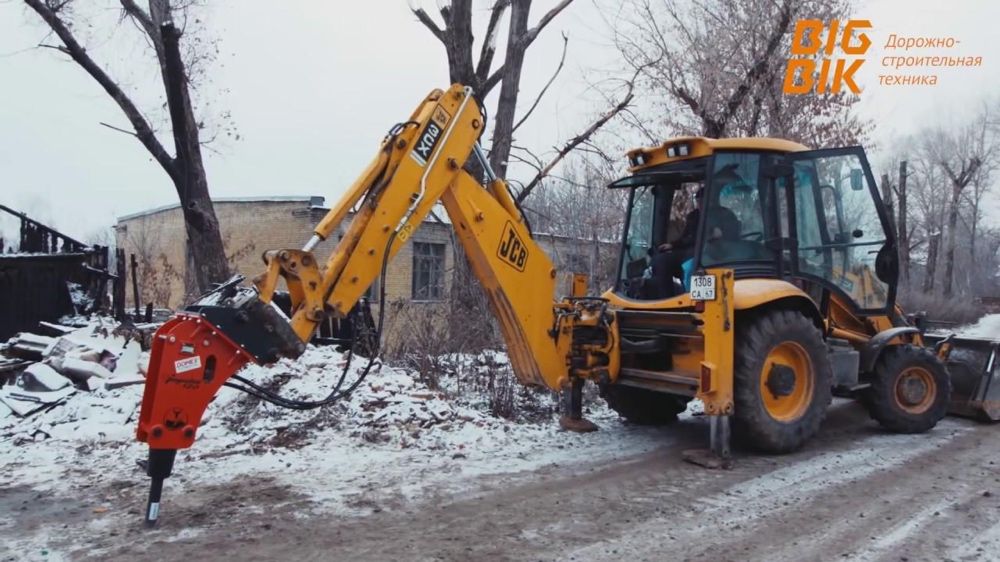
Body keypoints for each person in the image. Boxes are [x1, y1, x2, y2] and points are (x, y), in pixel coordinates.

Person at [650, 187, 703, 298]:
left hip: (708, 252)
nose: (700, 204)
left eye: (703, 200)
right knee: (661, 260)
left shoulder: (722, 215)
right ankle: (665, 299)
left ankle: (692, 296)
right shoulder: (693, 216)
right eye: (698, 201)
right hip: (688, 250)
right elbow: (685, 237)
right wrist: (672, 245)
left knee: (689, 266)